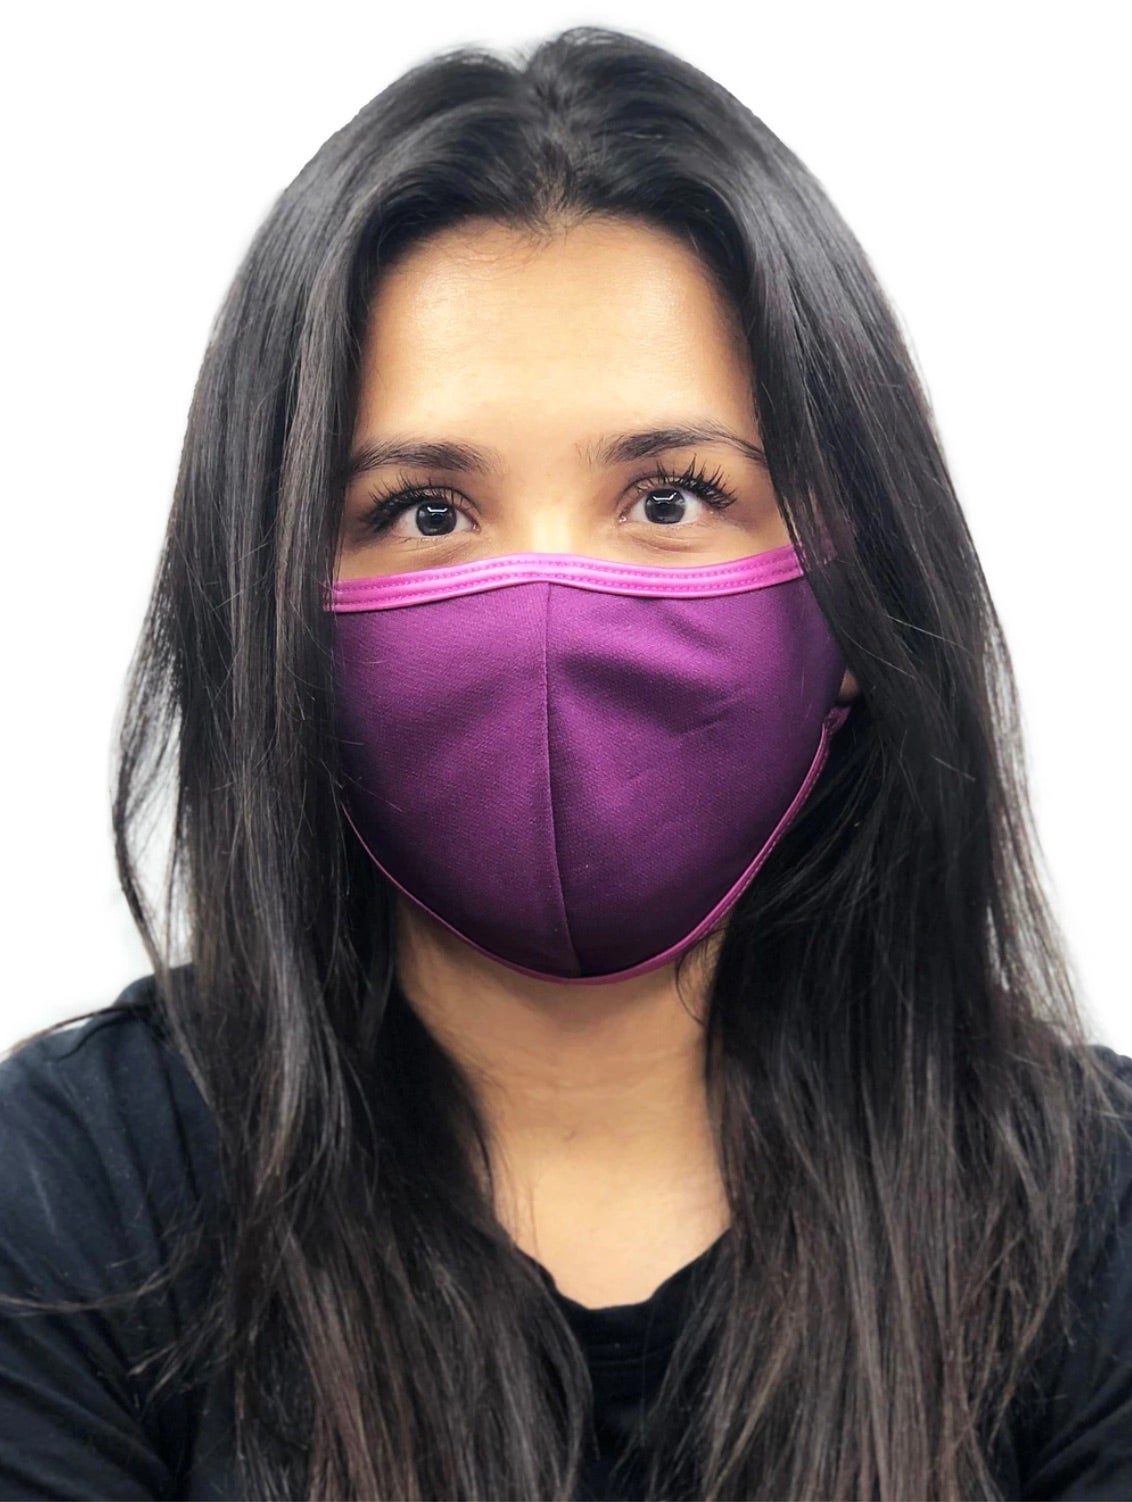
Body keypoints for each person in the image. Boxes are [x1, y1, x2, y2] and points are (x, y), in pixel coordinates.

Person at [1, 23, 1129, 1502]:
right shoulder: (69, 1190)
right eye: (424, 511)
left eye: (671, 497)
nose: (548, 611)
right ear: (272, 608)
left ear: (859, 597)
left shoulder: (1091, 1209)